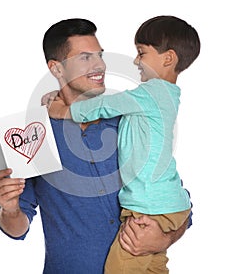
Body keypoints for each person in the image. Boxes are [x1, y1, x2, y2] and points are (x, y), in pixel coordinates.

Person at [0, 18, 191, 274]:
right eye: (85, 58)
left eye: (100, 55)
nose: (100, 65)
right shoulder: (30, 134)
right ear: (56, 69)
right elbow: (16, 228)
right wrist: (9, 208)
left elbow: (175, 200)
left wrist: (165, 238)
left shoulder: (129, 119)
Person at [49, 16, 200, 273]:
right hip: (165, 205)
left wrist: (62, 110)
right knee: (154, 267)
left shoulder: (148, 95)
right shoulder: (157, 99)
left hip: (147, 208)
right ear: (57, 68)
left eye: (141, 53)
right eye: (85, 57)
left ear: (168, 58)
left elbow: (103, 106)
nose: (135, 60)